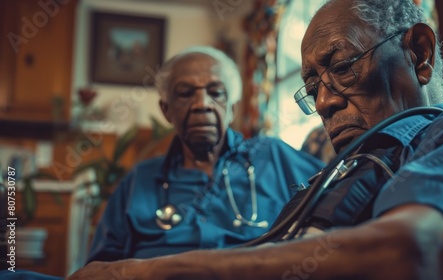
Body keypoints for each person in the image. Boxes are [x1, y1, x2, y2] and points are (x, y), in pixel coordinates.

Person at [67, 0, 443, 279]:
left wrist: (142, 273)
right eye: (312, 88)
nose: (326, 101)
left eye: (344, 65)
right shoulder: (342, 173)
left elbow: (411, 248)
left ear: (419, 54)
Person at [85, 46, 324, 262]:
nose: (202, 104)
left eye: (216, 92)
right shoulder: (140, 179)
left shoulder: (273, 156)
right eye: (185, 93)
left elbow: (341, 194)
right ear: (166, 110)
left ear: (232, 108)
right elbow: (102, 265)